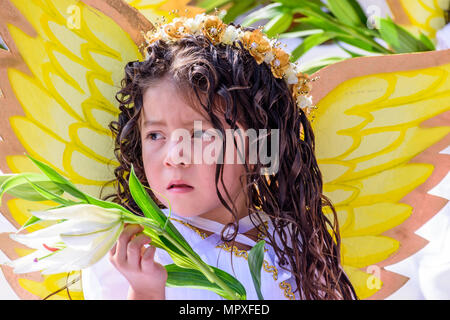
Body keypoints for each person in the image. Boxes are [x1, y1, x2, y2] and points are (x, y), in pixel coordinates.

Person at [82, 13, 357, 300]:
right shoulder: (130, 252)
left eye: (201, 135)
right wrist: (146, 292)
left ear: (260, 147)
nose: (175, 157)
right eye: (155, 136)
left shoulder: (296, 244)